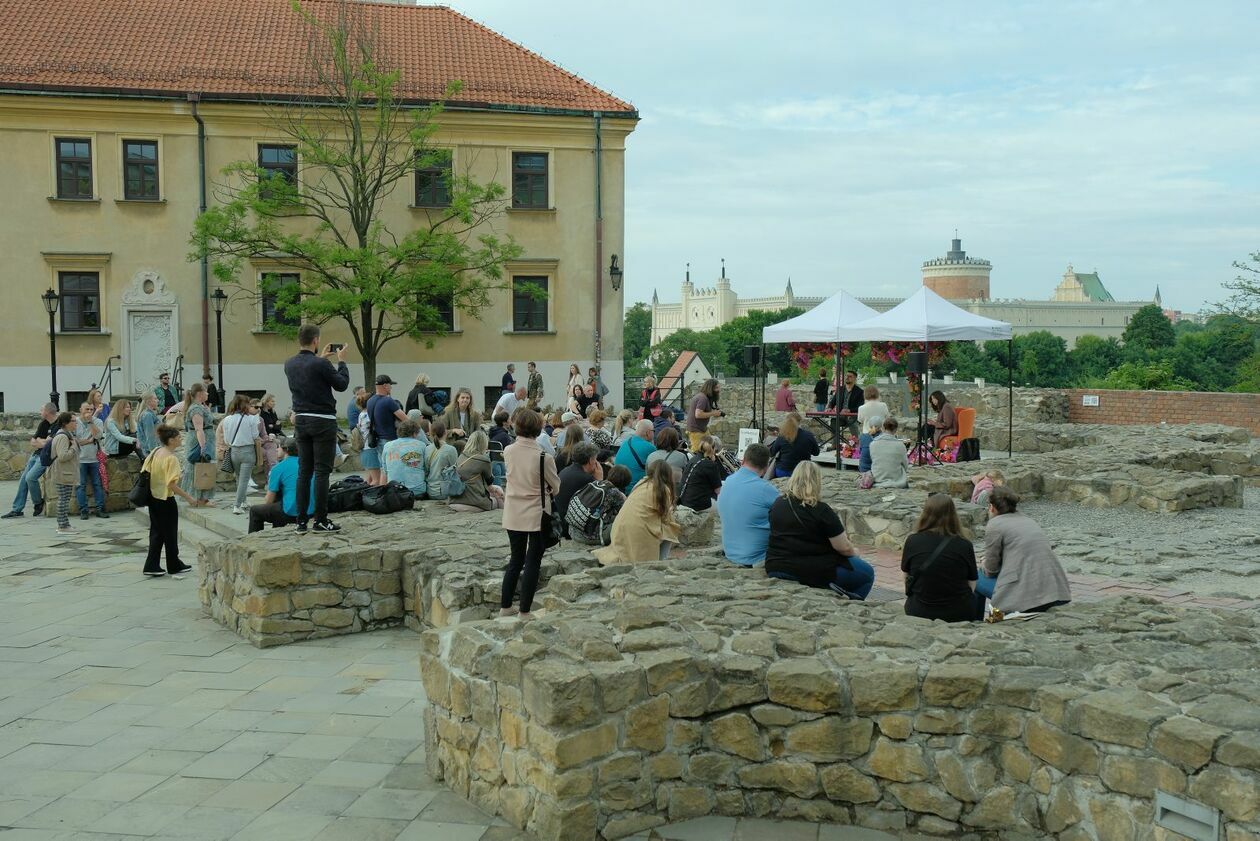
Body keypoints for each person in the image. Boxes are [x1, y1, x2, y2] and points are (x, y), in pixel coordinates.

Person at [766, 462, 875, 599]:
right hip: (810, 568)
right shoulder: (821, 510)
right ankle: (849, 603)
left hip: (776, 564)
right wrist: (855, 552)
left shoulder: (778, 504)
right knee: (867, 574)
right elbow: (843, 547)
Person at [283, 323, 351, 533]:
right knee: (322, 472)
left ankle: (301, 521)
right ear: (316, 340)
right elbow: (341, 384)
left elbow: (310, 373)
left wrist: (321, 359)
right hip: (322, 419)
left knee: (304, 471)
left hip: (301, 420)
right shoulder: (320, 365)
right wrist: (341, 361)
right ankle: (320, 519)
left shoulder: (289, 363)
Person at [500, 410, 560, 619]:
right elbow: (556, 486)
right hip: (537, 512)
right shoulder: (544, 457)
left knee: (515, 560)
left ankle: (505, 606)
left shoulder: (507, 450)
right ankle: (524, 611)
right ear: (538, 429)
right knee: (533, 560)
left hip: (513, 511)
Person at [981, 487, 1072, 614]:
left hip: (1026, 598)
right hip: (1057, 592)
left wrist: (985, 563)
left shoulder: (995, 524)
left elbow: (991, 571)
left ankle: (973, 622)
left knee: (976, 576)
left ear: (991, 507)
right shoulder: (1028, 520)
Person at [143, 425, 211, 576]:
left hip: (153, 497)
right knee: (170, 533)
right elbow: (171, 484)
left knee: (157, 533)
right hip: (166, 499)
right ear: (172, 440)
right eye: (179, 437)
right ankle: (174, 565)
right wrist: (189, 498)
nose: (181, 439)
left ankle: (151, 565)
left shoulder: (155, 452)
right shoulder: (171, 458)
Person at [901, 493, 978, 622]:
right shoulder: (964, 545)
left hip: (919, 610)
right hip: (958, 612)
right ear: (953, 515)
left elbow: (906, 575)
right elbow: (972, 582)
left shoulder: (912, 541)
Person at [594, 460, 681, 565]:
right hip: (638, 531)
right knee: (670, 531)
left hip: (619, 528)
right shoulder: (662, 490)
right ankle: (660, 563)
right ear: (668, 475)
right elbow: (666, 518)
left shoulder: (641, 483)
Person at [716, 443, 780, 566]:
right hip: (756, 557)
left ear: (743, 461)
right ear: (766, 467)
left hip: (731, 553)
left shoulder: (728, 482)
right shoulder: (765, 489)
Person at [4, 403, 57, 519]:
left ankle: (38, 503)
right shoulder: (44, 423)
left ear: (47, 412)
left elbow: (49, 444)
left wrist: (41, 442)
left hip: (46, 457)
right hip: (35, 455)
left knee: (30, 477)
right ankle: (17, 509)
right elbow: (33, 442)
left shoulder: (57, 425)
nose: (40, 412)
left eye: (41, 410)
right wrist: (42, 442)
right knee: (23, 479)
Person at [248, 439, 314, 532]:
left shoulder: (278, 468)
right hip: (312, 510)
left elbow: (268, 501)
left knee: (255, 511)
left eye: (278, 447)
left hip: (292, 512)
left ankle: (253, 542)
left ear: (285, 449)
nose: (276, 450)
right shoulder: (310, 464)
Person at [219, 394, 260, 514]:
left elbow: (226, 440)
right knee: (244, 480)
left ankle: (243, 502)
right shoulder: (251, 419)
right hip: (247, 451)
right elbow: (255, 436)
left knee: (239, 478)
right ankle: (237, 506)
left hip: (234, 451)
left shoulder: (227, 419)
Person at [364, 374, 407, 486]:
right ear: (385, 386)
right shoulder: (389, 401)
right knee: (390, 468)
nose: (391, 388)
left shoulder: (370, 401)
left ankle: (382, 492)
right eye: (390, 385)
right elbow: (405, 419)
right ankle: (386, 492)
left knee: (383, 467)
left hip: (377, 438)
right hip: (390, 439)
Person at [449, 430, 503, 512]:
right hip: (473, 501)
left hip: (454, 500)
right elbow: (490, 483)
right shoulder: (484, 460)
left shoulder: (462, 455)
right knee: (499, 495)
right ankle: (504, 516)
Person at [179, 382, 215, 504]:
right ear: (200, 393)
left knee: (202, 467)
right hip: (198, 441)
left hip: (204, 439)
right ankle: (198, 498)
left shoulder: (201, 406)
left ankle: (201, 497)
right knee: (199, 467)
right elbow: (199, 429)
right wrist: (203, 447)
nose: (208, 393)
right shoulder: (196, 408)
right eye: (206, 391)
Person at [554, 441, 602, 530]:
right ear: (591, 460)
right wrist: (599, 480)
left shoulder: (566, 470)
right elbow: (601, 501)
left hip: (560, 520)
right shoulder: (586, 479)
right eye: (595, 459)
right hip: (570, 526)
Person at [74, 402, 108, 519]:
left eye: (91, 409)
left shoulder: (97, 421)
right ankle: (83, 510)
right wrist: (87, 441)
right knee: (80, 486)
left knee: (97, 485)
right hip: (79, 459)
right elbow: (74, 440)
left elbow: (98, 436)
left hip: (94, 459)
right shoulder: (75, 422)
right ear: (80, 410)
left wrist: (90, 422)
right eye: (86, 409)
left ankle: (100, 509)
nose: (89, 411)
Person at [47, 412, 79, 534]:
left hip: (65, 472)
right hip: (62, 472)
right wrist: (74, 447)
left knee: (65, 498)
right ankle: (62, 526)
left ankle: (65, 524)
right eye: (73, 421)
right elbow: (62, 456)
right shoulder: (62, 436)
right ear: (66, 423)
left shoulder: (67, 434)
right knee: (63, 499)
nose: (76, 423)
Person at [383, 418, 430, 498]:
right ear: (415, 433)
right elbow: (427, 468)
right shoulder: (421, 445)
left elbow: (385, 470)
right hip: (417, 490)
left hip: (394, 490)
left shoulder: (387, 446)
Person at [677, 435, 724, 512]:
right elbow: (718, 491)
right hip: (698, 505)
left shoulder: (693, 459)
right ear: (713, 449)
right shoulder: (710, 465)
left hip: (684, 500)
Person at [768, 413, 820, 479]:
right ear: (800, 422)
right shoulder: (808, 435)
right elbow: (816, 453)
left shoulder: (782, 436)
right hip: (803, 471)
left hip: (783, 470)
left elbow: (772, 453)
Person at [869, 417, 910, 488]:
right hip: (896, 480)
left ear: (883, 428)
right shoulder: (900, 445)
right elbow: (906, 465)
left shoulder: (873, 444)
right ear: (895, 429)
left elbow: (874, 460)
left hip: (878, 478)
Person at [614, 420, 657, 487]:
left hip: (619, 486)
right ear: (648, 433)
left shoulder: (626, 442)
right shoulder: (650, 448)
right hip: (636, 488)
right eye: (653, 431)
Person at [424, 422, 460, 500]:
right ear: (445, 432)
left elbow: (426, 470)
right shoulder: (451, 449)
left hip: (430, 491)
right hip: (445, 491)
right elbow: (456, 470)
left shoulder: (427, 449)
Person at [685, 379, 723, 451]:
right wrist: (713, 413)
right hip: (696, 430)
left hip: (702, 429)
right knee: (697, 451)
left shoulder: (703, 397)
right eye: (716, 388)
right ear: (710, 388)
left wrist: (713, 413)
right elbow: (698, 414)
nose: (718, 390)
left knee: (710, 447)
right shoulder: (702, 398)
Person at [137, 392, 161, 457]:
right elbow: (150, 435)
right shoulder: (147, 415)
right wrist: (154, 452)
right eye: (155, 399)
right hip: (150, 451)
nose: (158, 400)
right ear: (148, 401)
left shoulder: (149, 413)